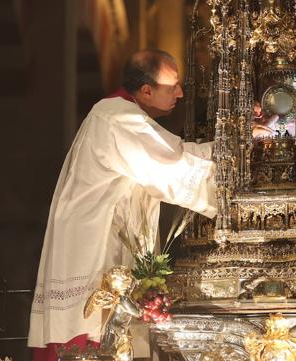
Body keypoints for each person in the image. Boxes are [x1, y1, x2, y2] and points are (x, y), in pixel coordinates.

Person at [28, 49, 216, 361]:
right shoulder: (118, 117)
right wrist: (232, 152)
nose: (180, 93)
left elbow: (171, 154)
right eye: (173, 87)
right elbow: (172, 164)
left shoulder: (120, 113)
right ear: (146, 90)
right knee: (95, 325)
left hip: (97, 231)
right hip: (95, 240)